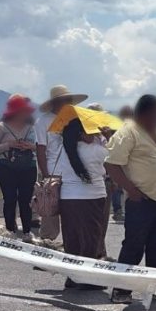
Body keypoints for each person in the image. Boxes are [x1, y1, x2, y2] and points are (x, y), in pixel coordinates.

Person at [104, 95, 156, 304]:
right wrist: (130, 189)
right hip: (141, 200)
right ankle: (121, 290)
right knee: (134, 245)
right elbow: (112, 164)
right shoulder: (128, 132)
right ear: (147, 112)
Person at [57, 117, 111, 290]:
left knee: (72, 238)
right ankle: (88, 278)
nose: (95, 135)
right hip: (92, 196)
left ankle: (73, 276)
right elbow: (114, 156)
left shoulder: (64, 150)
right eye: (92, 131)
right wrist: (107, 137)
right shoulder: (95, 150)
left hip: (67, 197)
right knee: (92, 238)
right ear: (82, 133)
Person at [35, 85, 87, 240]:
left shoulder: (75, 120)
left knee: (71, 212)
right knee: (50, 213)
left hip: (73, 172)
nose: (67, 103)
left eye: (69, 101)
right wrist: (45, 175)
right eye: (64, 100)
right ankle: (46, 246)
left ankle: (71, 247)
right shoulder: (43, 122)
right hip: (53, 171)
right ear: (55, 103)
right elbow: (40, 149)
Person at [0, 95, 38, 239]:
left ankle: (27, 230)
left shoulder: (32, 128)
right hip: (6, 167)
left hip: (28, 166)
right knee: (9, 198)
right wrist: (8, 145)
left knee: (25, 199)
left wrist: (30, 146)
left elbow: (40, 147)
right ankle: (10, 230)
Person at [110, 105, 134, 221]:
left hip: (121, 161)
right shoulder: (120, 128)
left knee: (120, 188)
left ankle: (120, 210)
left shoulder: (117, 127)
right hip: (119, 162)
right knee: (119, 188)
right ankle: (119, 210)